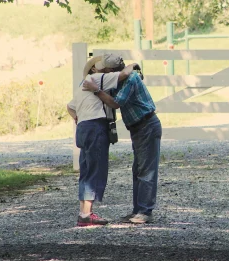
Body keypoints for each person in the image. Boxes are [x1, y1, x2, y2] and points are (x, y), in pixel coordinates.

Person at [82, 65, 162, 224]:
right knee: (138, 170)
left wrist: (96, 90)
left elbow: (116, 103)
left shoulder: (130, 79)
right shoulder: (116, 82)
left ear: (112, 71)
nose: (103, 75)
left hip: (146, 125)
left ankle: (145, 212)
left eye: (105, 72)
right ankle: (138, 210)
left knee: (146, 171)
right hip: (138, 128)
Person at [67, 54, 139, 227]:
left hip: (83, 127)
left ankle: (83, 212)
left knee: (86, 169)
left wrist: (77, 117)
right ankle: (87, 214)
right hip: (95, 125)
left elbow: (70, 107)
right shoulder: (99, 79)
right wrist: (134, 64)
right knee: (96, 169)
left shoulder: (82, 85)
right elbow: (124, 75)